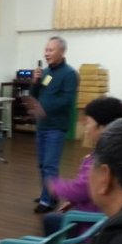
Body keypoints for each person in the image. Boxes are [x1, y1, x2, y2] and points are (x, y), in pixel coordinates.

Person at [42, 97, 122, 236]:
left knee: (51, 220)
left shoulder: (102, 158)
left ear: (103, 128)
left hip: (93, 224)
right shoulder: (120, 150)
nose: (86, 129)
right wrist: (72, 201)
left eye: (88, 123)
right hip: (104, 217)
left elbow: (83, 188)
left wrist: (55, 186)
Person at [27, 37, 79, 213]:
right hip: (42, 125)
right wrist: (35, 81)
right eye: (46, 50)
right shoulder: (46, 72)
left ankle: (47, 201)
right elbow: (35, 94)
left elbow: (67, 100)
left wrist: (43, 108)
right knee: (42, 164)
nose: (46, 53)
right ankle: (49, 194)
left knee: (50, 165)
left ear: (62, 52)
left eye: (51, 50)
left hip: (56, 127)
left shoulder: (69, 74)